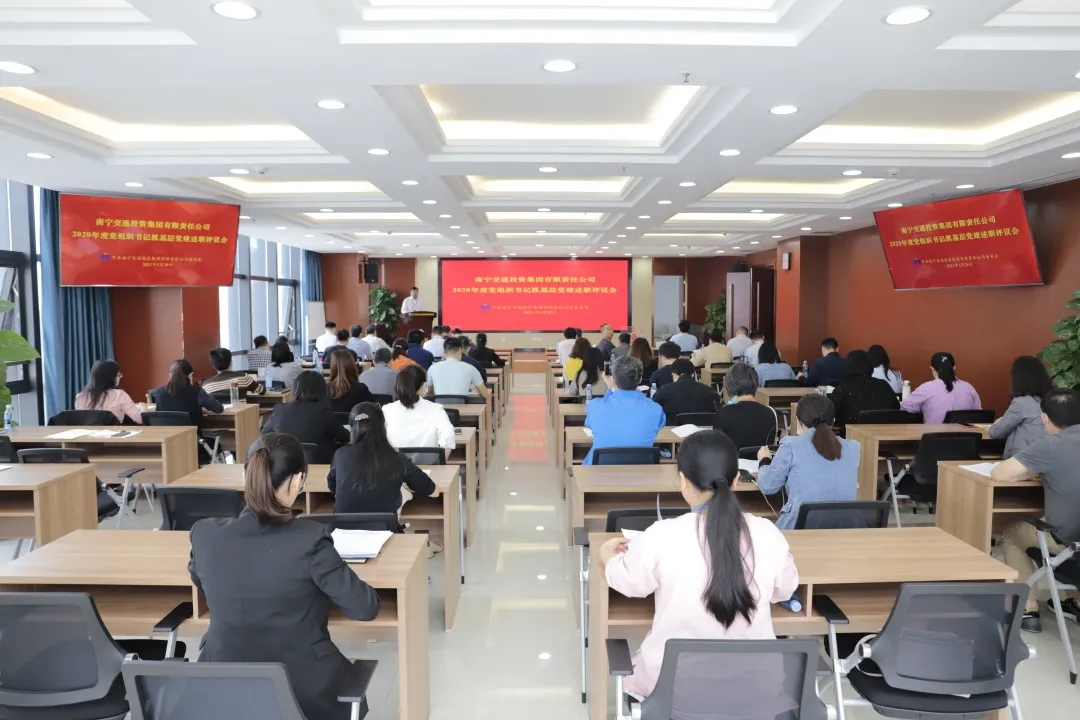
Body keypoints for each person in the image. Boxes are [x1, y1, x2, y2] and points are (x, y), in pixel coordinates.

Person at [188, 433, 380, 720]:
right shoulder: (311, 540)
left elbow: (200, 580)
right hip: (303, 695)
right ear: (297, 481)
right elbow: (364, 608)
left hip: (222, 690)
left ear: (246, 476)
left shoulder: (204, 534)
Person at [599, 430, 799, 700]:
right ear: (736, 480)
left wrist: (607, 556)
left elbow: (629, 583)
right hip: (755, 695)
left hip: (672, 692)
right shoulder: (767, 533)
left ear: (683, 481)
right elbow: (785, 590)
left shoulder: (662, 535)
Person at [991, 389, 1080, 631]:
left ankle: (1027, 609)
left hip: (1069, 545)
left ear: (1044, 418)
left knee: (1011, 533)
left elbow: (1000, 474)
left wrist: (1033, 469)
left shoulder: (1051, 444)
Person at [757, 394, 860, 530]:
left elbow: (768, 486)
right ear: (833, 421)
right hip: (844, 530)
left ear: (798, 421)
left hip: (798, 530)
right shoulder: (853, 448)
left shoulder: (791, 445)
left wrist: (764, 459)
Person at [328, 402, 436, 516]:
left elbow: (332, 485)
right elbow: (428, 488)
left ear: (352, 429)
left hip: (342, 525)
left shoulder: (340, 454)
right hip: (384, 526)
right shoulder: (397, 458)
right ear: (383, 425)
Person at [584, 356, 665, 464]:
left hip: (601, 469)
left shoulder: (595, 406)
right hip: (642, 469)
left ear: (613, 379)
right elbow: (658, 425)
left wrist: (610, 389)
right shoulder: (655, 408)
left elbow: (590, 424)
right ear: (640, 379)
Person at [260, 371, 349, 463]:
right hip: (320, 464)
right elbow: (344, 437)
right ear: (322, 389)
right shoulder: (323, 411)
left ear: (295, 388)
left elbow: (263, 436)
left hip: (285, 464)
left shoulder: (280, 410)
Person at [989, 355, 1053, 459]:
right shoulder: (1054, 400)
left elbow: (997, 433)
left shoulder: (1021, 403)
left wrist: (996, 423)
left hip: (1022, 460)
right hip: (1048, 458)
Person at [383, 365, 456, 452]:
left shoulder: (386, 410)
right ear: (423, 385)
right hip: (429, 460)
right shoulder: (436, 409)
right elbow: (448, 438)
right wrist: (441, 460)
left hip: (395, 460)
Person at [714, 363, 780, 452]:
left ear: (730, 385)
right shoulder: (771, 413)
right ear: (755, 383)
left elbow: (716, 448)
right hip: (763, 460)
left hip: (733, 461)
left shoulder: (723, 413)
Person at [900, 352, 981, 424]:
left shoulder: (926, 388)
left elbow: (906, 407)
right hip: (966, 436)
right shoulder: (969, 388)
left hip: (933, 436)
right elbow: (979, 414)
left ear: (932, 369)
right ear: (954, 367)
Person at [828, 350, 900, 429]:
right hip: (885, 434)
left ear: (848, 366)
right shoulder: (884, 385)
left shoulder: (842, 389)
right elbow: (896, 408)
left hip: (851, 435)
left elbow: (831, 414)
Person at [153, 358, 225, 428]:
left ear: (170, 375)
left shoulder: (159, 392)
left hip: (166, 435)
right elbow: (219, 408)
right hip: (190, 435)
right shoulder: (197, 392)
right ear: (190, 375)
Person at [652, 358, 721, 425]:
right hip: (704, 430)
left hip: (671, 429)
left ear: (673, 374)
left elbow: (653, 407)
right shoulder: (709, 391)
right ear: (693, 374)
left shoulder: (664, 390)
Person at [75, 359, 143, 424]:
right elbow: (140, 419)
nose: (119, 378)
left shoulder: (80, 397)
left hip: (86, 432)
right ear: (111, 377)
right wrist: (143, 408)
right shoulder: (119, 395)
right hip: (113, 432)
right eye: (118, 375)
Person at [327, 350, 374, 414]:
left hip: (330, 420)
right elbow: (372, 409)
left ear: (332, 366)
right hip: (355, 420)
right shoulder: (361, 389)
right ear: (353, 365)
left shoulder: (324, 389)